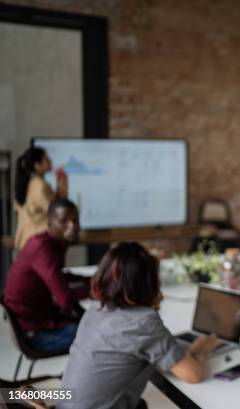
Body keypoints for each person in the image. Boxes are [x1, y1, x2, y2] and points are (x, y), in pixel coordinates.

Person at [59, 242, 218, 409]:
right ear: (148, 282)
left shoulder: (96, 308)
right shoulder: (143, 322)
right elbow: (193, 375)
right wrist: (198, 351)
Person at [3, 198, 89, 353]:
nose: (73, 226)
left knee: (93, 324)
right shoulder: (43, 248)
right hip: (34, 335)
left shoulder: (50, 244)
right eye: (64, 221)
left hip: (38, 322)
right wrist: (93, 289)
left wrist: (90, 281)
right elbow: (65, 299)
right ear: (49, 224)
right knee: (101, 335)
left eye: (75, 220)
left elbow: (59, 278)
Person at [14, 146, 68, 250]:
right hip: (39, 243)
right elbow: (57, 211)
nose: (50, 161)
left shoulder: (27, 183)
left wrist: (61, 182)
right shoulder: (40, 186)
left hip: (26, 241)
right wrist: (62, 184)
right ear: (37, 165)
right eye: (46, 159)